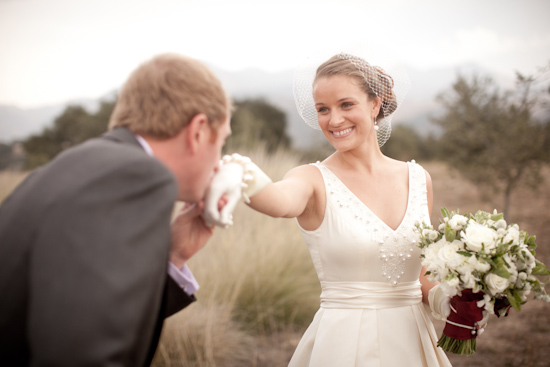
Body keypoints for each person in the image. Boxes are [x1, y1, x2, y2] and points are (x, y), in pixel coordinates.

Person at [203, 49, 486, 366]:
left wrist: (453, 303)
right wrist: (240, 172)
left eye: (346, 104)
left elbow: (422, 275)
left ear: (375, 104)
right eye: (323, 109)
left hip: (412, 342)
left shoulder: (418, 179)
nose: (334, 120)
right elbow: (278, 201)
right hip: (343, 345)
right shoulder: (310, 180)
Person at [0, 53, 231, 367]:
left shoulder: (83, 165)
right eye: (222, 143)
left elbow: (82, 311)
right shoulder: (137, 176)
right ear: (199, 131)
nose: (218, 162)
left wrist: (172, 257)